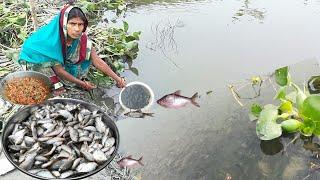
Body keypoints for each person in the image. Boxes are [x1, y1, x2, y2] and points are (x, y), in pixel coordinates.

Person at [18, 5, 126, 92]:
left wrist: (118, 79)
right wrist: (83, 84)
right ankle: (55, 85)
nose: (77, 29)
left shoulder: (81, 39)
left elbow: (98, 61)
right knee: (47, 80)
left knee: (85, 52)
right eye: (72, 24)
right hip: (37, 59)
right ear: (64, 24)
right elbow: (59, 71)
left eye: (80, 24)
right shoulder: (53, 43)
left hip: (58, 62)